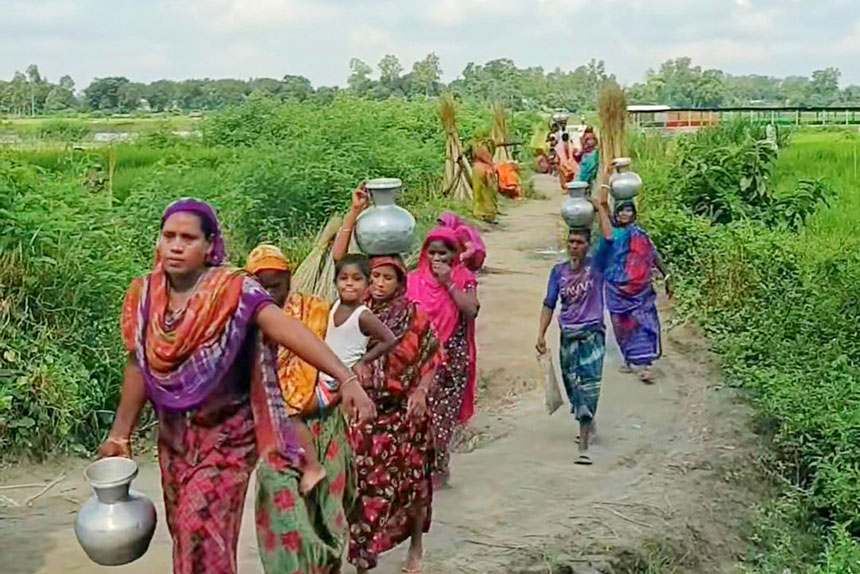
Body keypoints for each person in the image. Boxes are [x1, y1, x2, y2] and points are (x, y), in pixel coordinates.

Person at [99, 200, 375, 574]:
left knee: (201, 529)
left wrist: (347, 377)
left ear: (210, 245)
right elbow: (138, 362)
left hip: (227, 438)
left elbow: (287, 329)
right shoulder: (145, 295)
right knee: (187, 537)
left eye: (188, 238)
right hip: (175, 439)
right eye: (169, 237)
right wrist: (120, 434)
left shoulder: (233, 290)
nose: (176, 246)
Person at [245, 244, 364, 574]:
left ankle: (327, 567)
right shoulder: (242, 325)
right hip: (275, 433)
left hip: (324, 426)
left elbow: (347, 348)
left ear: (290, 279)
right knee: (284, 515)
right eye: (261, 284)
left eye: (277, 284)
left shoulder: (317, 312)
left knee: (329, 507)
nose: (270, 292)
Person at [347, 255, 440, 574]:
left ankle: (416, 545)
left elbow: (432, 358)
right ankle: (363, 557)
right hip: (368, 412)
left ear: (400, 282)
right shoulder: (359, 315)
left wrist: (421, 392)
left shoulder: (416, 318)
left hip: (406, 414)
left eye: (388, 277)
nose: (379, 283)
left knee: (413, 484)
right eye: (374, 277)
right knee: (364, 485)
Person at [536, 185, 613, 465]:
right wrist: (541, 333)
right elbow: (549, 303)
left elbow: (609, 237)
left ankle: (583, 444)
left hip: (592, 336)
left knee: (588, 386)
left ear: (586, 245)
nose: (574, 247)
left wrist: (600, 207)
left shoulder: (597, 267)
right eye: (570, 243)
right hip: (568, 336)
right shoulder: (559, 272)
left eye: (579, 243)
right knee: (572, 386)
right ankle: (587, 421)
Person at [407, 228, 480, 487]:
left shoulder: (464, 278)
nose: (437, 258)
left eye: (443, 253)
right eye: (433, 252)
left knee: (441, 420)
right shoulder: (413, 280)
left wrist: (448, 281)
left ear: (454, 254)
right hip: (419, 359)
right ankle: (419, 470)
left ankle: (438, 469)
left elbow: (471, 310)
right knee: (419, 417)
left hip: (452, 362)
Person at [604, 200, 671, 383]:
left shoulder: (641, 236)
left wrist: (666, 277)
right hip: (616, 289)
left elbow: (654, 256)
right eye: (621, 210)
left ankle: (647, 364)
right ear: (616, 214)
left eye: (629, 210)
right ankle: (628, 357)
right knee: (621, 325)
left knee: (644, 322)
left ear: (634, 214)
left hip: (640, 289)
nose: (625, 214)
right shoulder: (613, 234)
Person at [471, 143, 499, 224]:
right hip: (486, 170)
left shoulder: (476, 146)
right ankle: (488, 214)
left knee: (478, 192)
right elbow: (488, 159)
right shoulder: (483, 146)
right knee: (487, 192)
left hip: (478, 170)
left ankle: (480, 212)